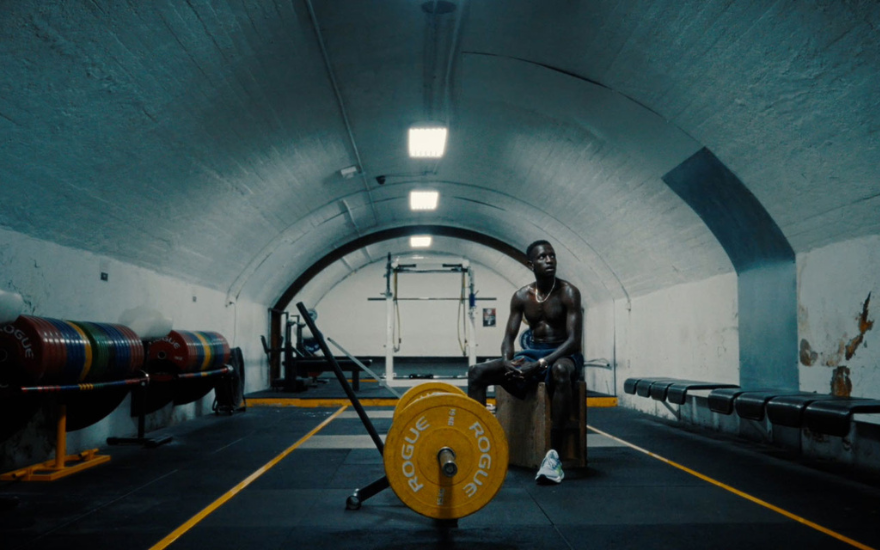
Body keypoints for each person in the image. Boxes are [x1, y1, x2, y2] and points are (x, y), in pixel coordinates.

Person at [467, 240, 584, 484]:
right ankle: (476, 444)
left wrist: (540, 364)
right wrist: (508, 360)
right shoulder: (521, 296)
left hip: (563, 354)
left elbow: (574, 341)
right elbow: (508, 339)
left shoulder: (569, 292)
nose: (549, 260)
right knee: (477, 372)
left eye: (552, 255)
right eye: (542, 257)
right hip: (532, 353)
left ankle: (554, 457)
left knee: (561, 370)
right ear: (531, 264)